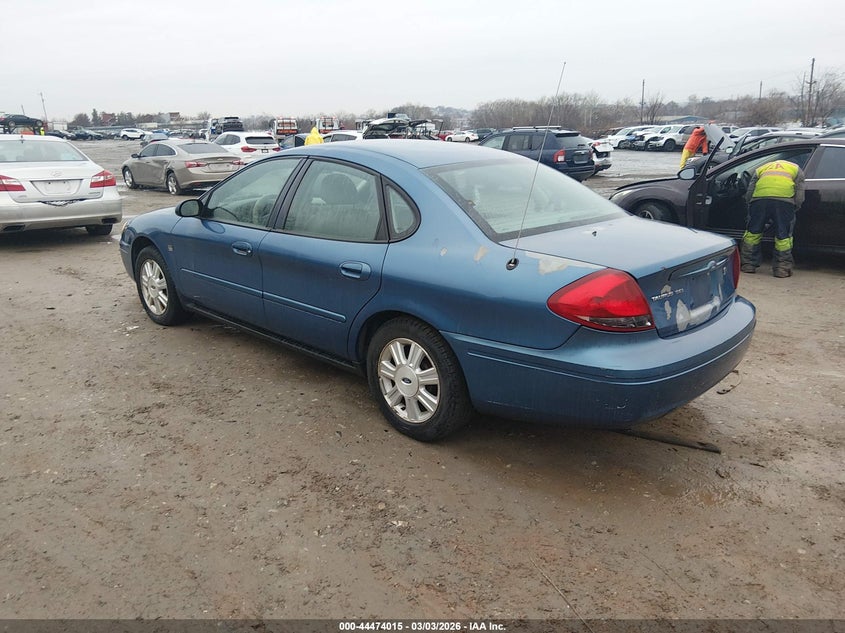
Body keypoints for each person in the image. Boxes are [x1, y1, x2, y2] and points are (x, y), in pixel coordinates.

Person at [740, 158, 805, 277]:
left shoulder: (761, 168)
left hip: (759, 200)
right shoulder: (796, 169)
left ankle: (748, 265)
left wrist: (751, 206)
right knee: (783, 236)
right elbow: (799, 194)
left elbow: (750, 191)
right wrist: (795, 207)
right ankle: (782, 269)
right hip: (784, 202)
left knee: (752, 233)